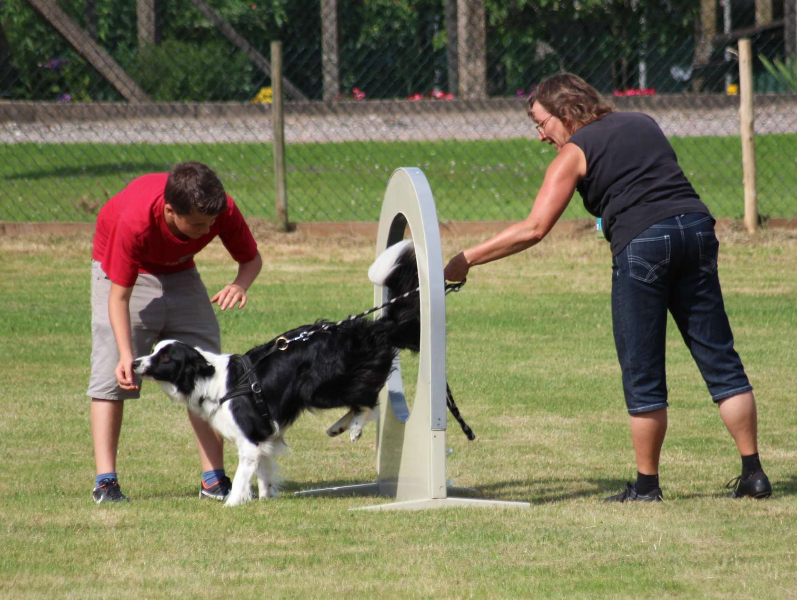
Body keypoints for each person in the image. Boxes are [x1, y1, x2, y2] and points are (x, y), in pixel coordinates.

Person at [443, 73, 771, 502]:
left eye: (541, 124)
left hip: (644, 245)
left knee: (643, 371)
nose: (541, 136)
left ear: (565, 112)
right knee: (721, 359)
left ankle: (647, 487)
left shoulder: (573, 154)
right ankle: (754, 473)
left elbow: (535, 228)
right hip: (696, 230)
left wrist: (466, 260)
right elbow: (653, 180)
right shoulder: (642, 121)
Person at [88, 161, 263, 503]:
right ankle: (105, 483)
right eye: (198, 224)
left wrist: (240, 284)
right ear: (170, 210)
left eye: (211, 222)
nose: (208, 229)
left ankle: (214, 480)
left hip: (181, 271)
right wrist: (126, 353)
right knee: (113, 374)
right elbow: (118, 296)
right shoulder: (135, 223)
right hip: (126, 272)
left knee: (207, 371)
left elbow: (251, 260)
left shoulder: (219, 207)